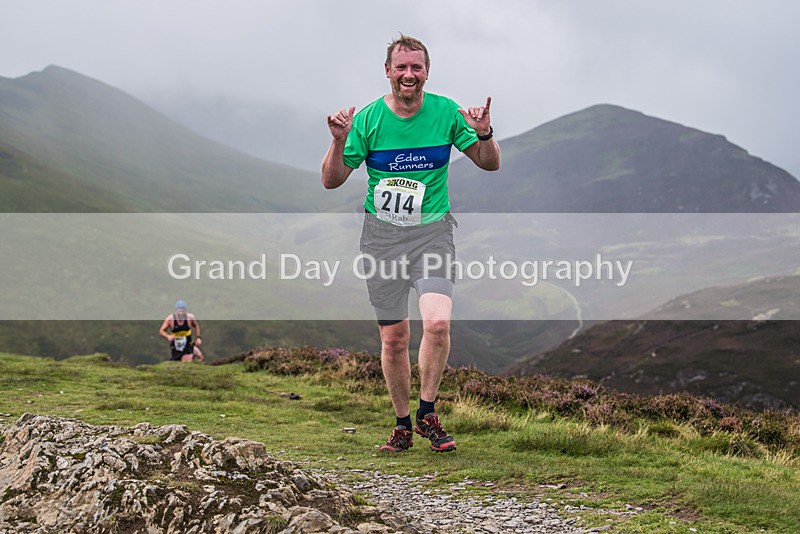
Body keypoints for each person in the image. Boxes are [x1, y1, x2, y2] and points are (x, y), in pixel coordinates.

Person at [321, 34, 500, 452]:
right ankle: (402, 424)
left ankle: (427, 413)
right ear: (388, 71)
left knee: (437, 323)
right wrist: (337, 140)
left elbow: (489, 163)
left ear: (426, 71)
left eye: (416, 67)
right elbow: (331, 180)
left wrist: (485, 132)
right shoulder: (366, 120)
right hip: (381, 238)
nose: (408, 75)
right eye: (400, 67)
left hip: (432, 232)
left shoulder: (446, 113)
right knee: (394, 340)